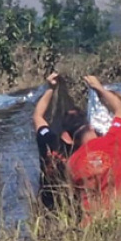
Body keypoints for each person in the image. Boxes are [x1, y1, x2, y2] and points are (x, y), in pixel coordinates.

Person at [67, 75, 121, 213]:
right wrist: (99, 88)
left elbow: (75, 197)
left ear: (70, 139)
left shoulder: (72, 162)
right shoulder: (113, 140)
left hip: (91, 226)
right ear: (91, 127)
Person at [33, 72, 86, 211]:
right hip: (76, 209)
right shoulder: (86, 150)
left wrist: (50, 88)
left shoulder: (47, 139)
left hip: (46, 206)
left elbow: (38, 115)